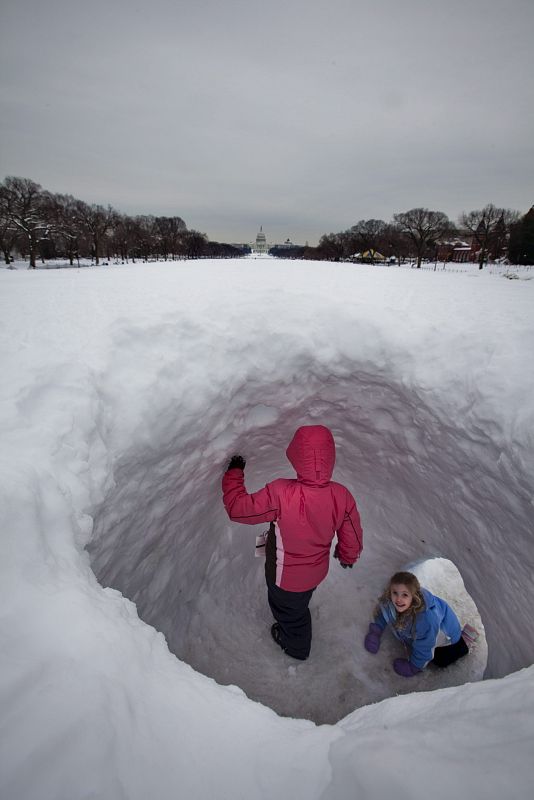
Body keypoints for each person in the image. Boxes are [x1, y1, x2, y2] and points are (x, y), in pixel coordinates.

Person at [222, 425, 363, 661]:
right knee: (299, 601)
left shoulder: (280, 492)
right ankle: (298, 614)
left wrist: (234, 473)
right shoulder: (341, 495)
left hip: (284, 579)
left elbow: (238, 509)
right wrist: (348, 555)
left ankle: (297, 647)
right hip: (316, 573)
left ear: (296, 455)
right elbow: (353, 534)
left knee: (289, 613)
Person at [364, 571, 470, 676]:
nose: (398, 599)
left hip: (447, 635)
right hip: (425, 631)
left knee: (440, 660)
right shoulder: (391, 601)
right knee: (415, 639)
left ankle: (466, 638)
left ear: (414, 596)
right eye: (395, 593)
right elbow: (384, 614)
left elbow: (425, 647)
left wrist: (413, 667)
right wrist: (375, 631)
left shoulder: (425, 619)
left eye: (405, 595)